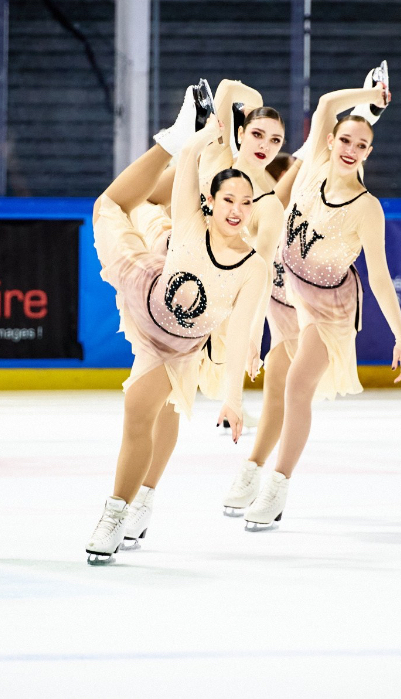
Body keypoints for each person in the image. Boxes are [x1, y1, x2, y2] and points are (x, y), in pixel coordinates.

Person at [86, 85, 271, 563]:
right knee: (109, 206)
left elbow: (239, 331)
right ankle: (128, 508)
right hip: (143, 283)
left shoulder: (254, 266)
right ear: (211, 200)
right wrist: (198, 133)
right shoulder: (191, 215)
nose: (237, 210)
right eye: (228, 200)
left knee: (151, 408)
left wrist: (232, 399)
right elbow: (194, 152)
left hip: (177, 343)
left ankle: (124, 508)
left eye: (245, 203)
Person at [240, 79, 401, 531]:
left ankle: (277, 488)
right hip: (286, 289)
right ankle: (253, 468)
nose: (352, 150)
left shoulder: (367, 208)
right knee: (277, 381)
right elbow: (327, 103)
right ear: (331, 141)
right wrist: (370, 97)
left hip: (330, 306)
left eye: (362, 145)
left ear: (369, 152)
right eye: (346, 141)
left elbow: (379, 276)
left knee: (298, 385)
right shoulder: (313, 164)